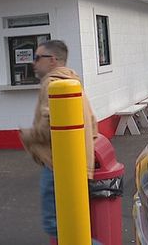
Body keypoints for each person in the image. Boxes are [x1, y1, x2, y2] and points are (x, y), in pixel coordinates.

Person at [19, 40, 100, 245]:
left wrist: (28, 135)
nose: (33, 63)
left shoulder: (53, 84)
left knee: (55, 223)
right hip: (77, 165)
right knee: (72, 223)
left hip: (58, 165)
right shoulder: (74, 82)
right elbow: (93, 123)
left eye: (37, 58)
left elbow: (49, 125)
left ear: (53, 60)